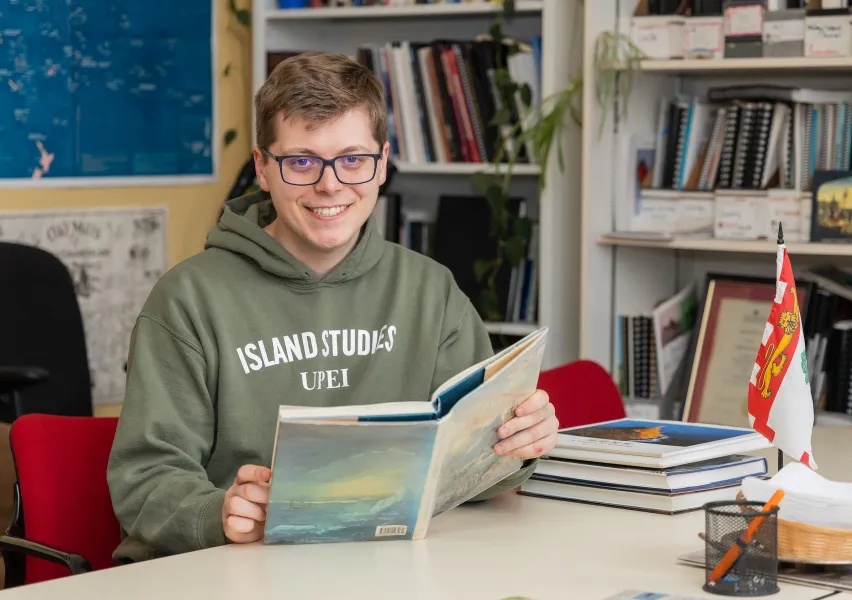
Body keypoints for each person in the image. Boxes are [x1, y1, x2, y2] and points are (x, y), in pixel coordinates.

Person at [106, 51, 559, 562]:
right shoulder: (187, 300)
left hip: (387, 566)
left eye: (353, 159)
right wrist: (219, 512)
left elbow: (472, 467)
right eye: (301, 161)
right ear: (262, 168)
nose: (330, 184)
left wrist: (517, 442)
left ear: (382, 163)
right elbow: (144, 479)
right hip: (233, 570)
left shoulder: (431, 291)